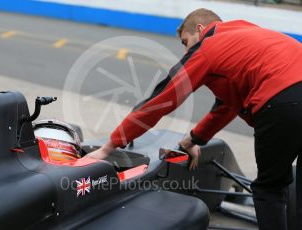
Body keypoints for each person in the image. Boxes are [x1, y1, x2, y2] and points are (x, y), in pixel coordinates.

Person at [84, 8, 302, 230]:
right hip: (292, 88)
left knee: (269, 189)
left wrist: (109, 146)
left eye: (185, 42)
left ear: (200, 29)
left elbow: (161, 100)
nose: (186, 50)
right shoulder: (243, 32)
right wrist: (194, 139)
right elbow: (226, 106)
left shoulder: (208, 47)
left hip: (282, 99)